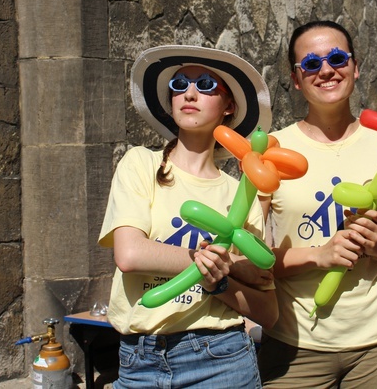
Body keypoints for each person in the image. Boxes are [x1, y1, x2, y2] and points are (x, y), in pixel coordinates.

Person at [257, 20, 377, 388]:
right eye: (311, 64)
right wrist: (319, 255)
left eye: (337, 58)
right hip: (294, 343)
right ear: (297, 79)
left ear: (355, 66)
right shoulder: (273, 152)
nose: (327, 70)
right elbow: (254, 258)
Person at [98, 45, 278, 388]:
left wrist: (220, 281)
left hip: (220, 359)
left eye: (207, 84)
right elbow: (130, 254)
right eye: (179, 84)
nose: (189, 93)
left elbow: (267, 309)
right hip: (139, 361)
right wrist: (212, 259)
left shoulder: (242, 195)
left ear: (229, 107)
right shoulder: (140, 164)